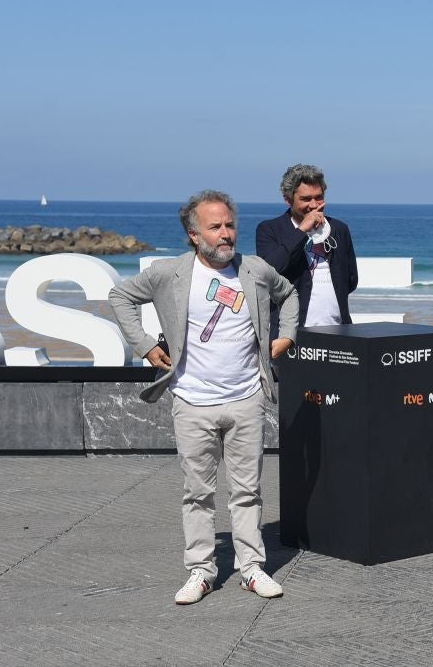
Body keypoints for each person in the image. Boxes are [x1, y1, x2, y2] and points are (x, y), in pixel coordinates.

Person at [109, 190, 298, 605]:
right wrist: (143, 344)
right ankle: (201, 571)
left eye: (230, 224)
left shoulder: (255, 270)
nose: (226, 233)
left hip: (247, 397)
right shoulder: (168, 273)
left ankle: (251, 569)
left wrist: (286, 337)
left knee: (247, 491)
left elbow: (289, 294)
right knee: (198, 493)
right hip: (192, 401)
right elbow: (120, 297)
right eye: (215, 227)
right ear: (194, 235)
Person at [255, 164, 358, 329]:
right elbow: (269, 271)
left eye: (319, 197)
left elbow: (351, 280)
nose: (313, 205)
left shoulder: (339, 229)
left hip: (339, 331)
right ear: (288, 199)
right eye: (305, 199)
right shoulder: (270, 229)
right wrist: (302, 230)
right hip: (290, 335)